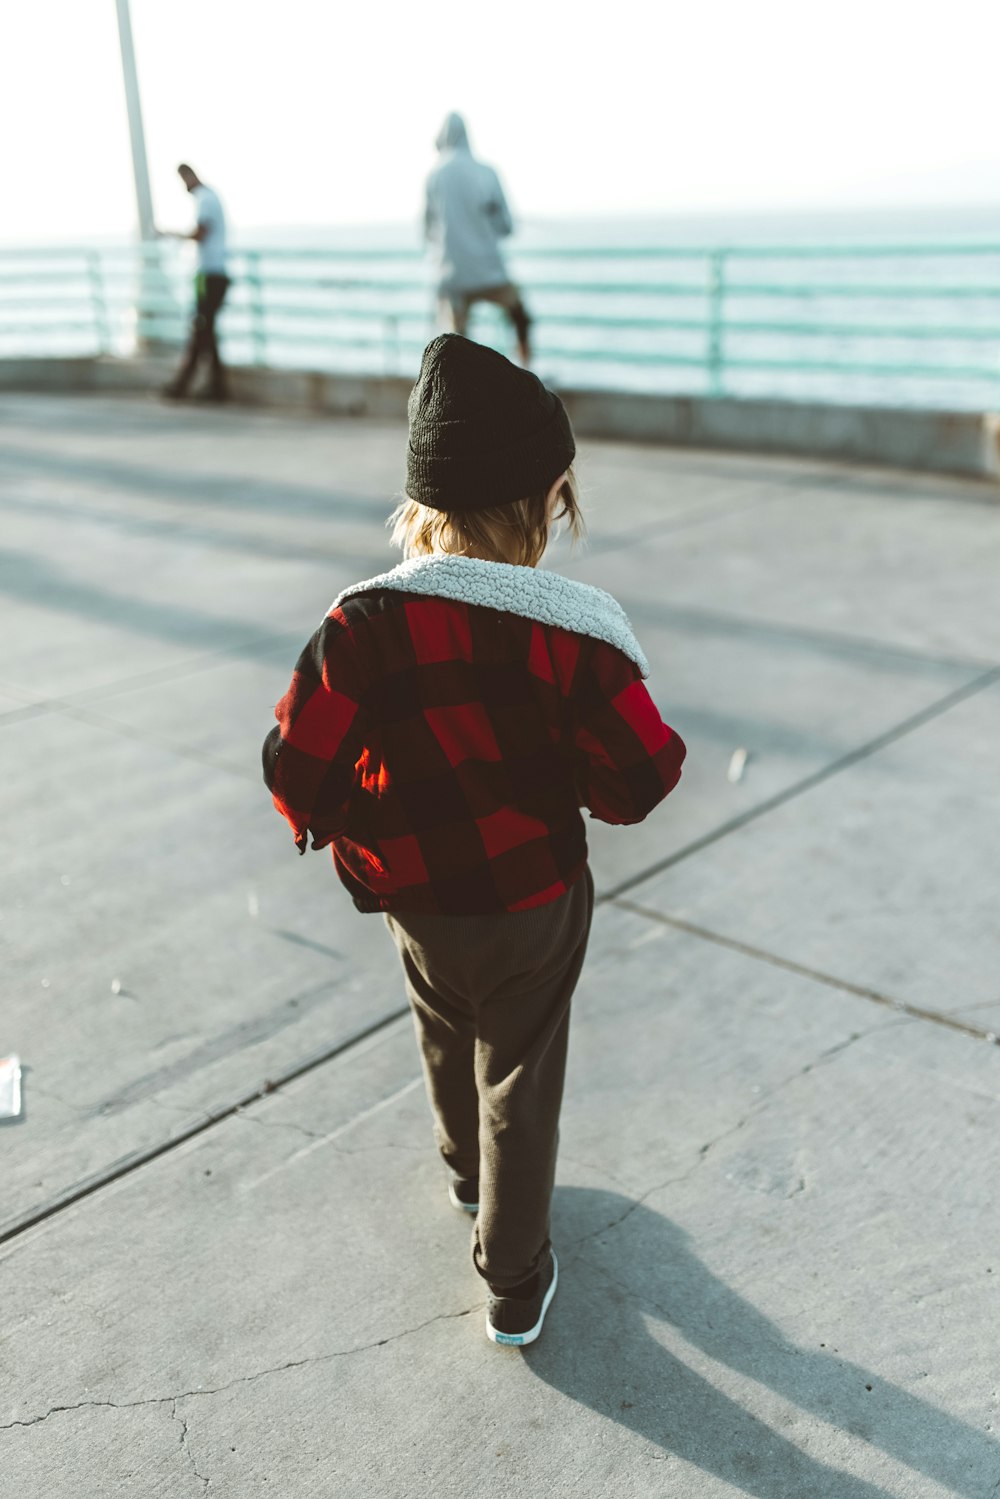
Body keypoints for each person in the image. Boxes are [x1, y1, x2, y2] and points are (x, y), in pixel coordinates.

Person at [262, 334, 686, 1347]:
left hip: (411, 889)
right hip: (532, 893)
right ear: (543, 504)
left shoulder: (361, 625)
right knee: (520, 1072)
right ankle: (513, 1275)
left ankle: (463, 1176)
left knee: (442, 1018)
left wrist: (353, 827)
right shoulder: (572, 634)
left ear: (423, 500)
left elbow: (296, 770)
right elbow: (642, 775)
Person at [424, 113, 533, 364]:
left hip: (452, 278)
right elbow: (505, 227)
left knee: (458, 341)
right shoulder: (486, 172)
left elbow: (428, 230)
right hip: (490, 272)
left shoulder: (433, 177)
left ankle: (461, 390)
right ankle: (528, 369)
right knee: (519, 315)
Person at [161, 164, 230, 401]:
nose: (184, 186)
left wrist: (172, 235)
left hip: (208, 276)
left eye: (183, 180)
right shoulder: (210, 196)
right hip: (212, 275)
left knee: (201, 328)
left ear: (189, 176)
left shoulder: (205, 199)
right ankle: (215, 386)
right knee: (205, 330)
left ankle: (183, 386)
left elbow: (201, 233)